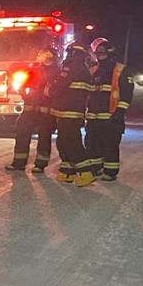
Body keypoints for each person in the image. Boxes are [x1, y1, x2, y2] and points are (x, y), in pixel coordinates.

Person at [47, 41, 95, 186]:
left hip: (67, 111)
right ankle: (67, 171)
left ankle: (86, 172)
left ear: (72, 53)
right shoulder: (83, 69)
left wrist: (49, 90)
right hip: (73, 111)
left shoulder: (70, 67)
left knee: (71, 142)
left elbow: (61, 84)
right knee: (64, 141)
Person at [84, 37, 133, 181]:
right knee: (92, 145)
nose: (100, 57)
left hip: (111, 117)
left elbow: (126, 94)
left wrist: (120, 112)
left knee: (110, 145)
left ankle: (110, 172)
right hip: (93, 117)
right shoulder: (93, 70)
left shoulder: (121, 70)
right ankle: (95, 168)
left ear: (110, 54)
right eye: (97, 54)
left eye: (102, 54)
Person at [5, 45, 57, 173]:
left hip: (45, 111)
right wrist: (25, 95)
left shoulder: (57, 72)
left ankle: (40, 164)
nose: (39, 56)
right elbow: (22, 85)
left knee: (44, 137)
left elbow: (58, 91)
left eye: (42, 53)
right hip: (29, 109)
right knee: (22, 133)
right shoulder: (35, 70)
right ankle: (19, 163)